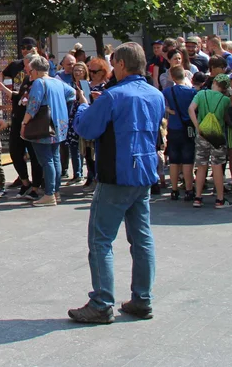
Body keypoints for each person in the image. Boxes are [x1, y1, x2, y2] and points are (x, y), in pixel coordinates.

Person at [68, 43, 164, 324]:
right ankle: (142, 298)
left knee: (101, 239)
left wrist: (86, 106)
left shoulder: (113, 96)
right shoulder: (155, 94)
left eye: (113, 64)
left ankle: (101, 303)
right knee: (142, 238)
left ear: (121, 64)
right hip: (144, 171)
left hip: (117, 173)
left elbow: (85, 128)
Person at [21, 54, 75, 206]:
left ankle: (49, 194)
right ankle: (55, 192)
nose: (29, 73)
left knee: (47, 160)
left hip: (44, 127)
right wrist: (63, 107)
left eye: (30, 70)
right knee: (55, 158)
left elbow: (33, 105)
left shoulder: (39, 82)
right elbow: (72, 93)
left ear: (36, 70)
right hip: (60, 125)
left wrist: (24, 124)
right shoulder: (57, 82)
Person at [0, 44, 43, 198]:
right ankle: (25, 183)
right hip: (18, 118)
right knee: (15, 152)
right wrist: (2, 88)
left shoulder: (40, 82)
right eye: (25, 68)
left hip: (32, 121)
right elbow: (19, 96)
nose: (26, 71)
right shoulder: (27, 79)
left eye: (28, 68)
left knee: (35, 155)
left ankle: (36, 187)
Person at [188, 73, 232, 208]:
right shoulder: (225, 100)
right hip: (217, 134)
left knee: (201, 165)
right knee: (217, 166)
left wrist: (197, 126)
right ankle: (220, 199)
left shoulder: (201, 94)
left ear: (214, 83)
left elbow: (191, 109)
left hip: (202, 133)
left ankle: (198, 197)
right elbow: (227, 117)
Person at [163, 66, 197, 201]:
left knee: (174, 161)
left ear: (172, 76)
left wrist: (170, 111)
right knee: (188, 161)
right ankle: (189, 189)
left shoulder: (167, 91)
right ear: (185, 75)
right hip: (187, 129)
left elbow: (161, 105)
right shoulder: (192, 92)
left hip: (173, 128)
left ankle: (174, 190)